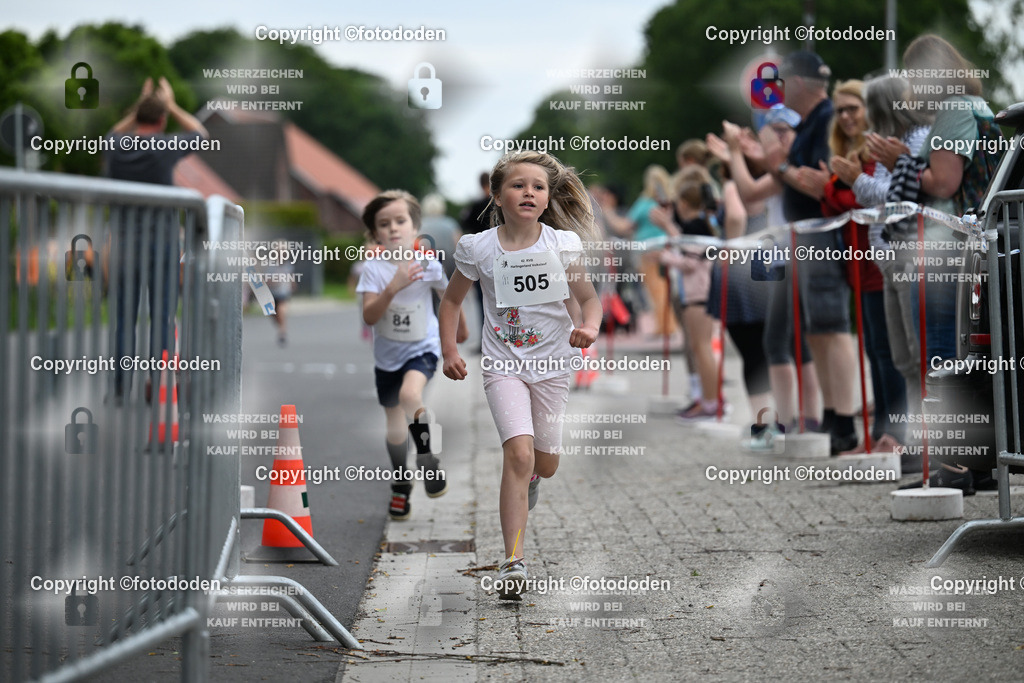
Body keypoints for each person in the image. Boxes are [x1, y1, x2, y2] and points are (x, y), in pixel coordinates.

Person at [439, 151, 602, 600]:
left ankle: (532, 480)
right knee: (518, 455)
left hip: (552, 365)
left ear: (548, 199)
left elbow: (589, 300)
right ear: (496, 195)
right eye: (517, 185)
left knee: (544, 465)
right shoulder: (478, 247)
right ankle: (513, 560)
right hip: (503, 364)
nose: (528, 192)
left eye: (538, 186)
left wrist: (588, 327)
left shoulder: (561, 245)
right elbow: (451, 302)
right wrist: (449, 349)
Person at [868, 35, 1003, 492]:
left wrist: (904, 160)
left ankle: (951, 468)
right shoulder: (980, 107)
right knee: (970, 355)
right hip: (977, 245)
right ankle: (978, 464)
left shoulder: (952, 111)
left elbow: (943, 182)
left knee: (940, 349)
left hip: (947, 243)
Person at [762, 51, 860, 454]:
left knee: (832, 326)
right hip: (807, 236)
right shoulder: (811, 123)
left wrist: (781, 168)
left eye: (784, 83)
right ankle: (835, 415)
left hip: (822, 235)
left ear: (799, 84)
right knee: (818, 330)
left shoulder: (823, 122)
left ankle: (846, 419)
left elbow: (822, 182)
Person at [356, 190, 469, 520]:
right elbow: (370, 316)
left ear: (415, 226)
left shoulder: (429, 264)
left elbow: (449, 298)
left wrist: (458, 332)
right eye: (384, 224)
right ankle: (401, 484)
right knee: (393, 425)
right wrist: (395, 285)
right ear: (375, 233)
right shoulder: (372, 270)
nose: (393, 229)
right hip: (386, 357)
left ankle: (427, 456)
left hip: (423, 348)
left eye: (400, 221)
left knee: (410, 394)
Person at [709, 106, 823, 435]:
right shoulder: (779, 170)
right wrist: (736, 151)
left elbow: (742, 208)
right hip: (775, 264)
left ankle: (785, 422)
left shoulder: (780, 173)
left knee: (774, 347)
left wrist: (733, 153)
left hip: (769, 267)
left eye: (781, 133)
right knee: (784, 345)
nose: (768, 142)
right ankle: (800, 419)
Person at [105, 77, 209, 402]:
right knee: (162, 316)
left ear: (137, 118)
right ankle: (160, 385)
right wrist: (172, 103)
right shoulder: (165, 146)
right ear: (162, 120)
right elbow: (201, 134)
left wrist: (141, 104)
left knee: (124, 317)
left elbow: (113, 133)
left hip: (124, 242)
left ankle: (120, 388)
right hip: (162, 242)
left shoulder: (118, 146)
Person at [844, 75, 931, 463]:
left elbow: (895, 197)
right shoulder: (889, 144)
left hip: (908, 252)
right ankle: (913, 440)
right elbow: (886, 195)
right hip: (888, 254)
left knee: (916, 352)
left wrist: (857, 180)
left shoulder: (913, 140)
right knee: (902, 355)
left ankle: (927, 441)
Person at [823, 80, 907, 453]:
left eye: (853, 108)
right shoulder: (847, 151)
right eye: (839, 110)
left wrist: (834, 186)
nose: (845, 117)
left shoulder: (875, 149)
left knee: (890, 352)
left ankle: (896, 435)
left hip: (880, 257)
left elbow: (858, 200)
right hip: (862, 260)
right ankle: (880, 434)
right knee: (875, 348)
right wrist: (836, 188)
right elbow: (841, 200)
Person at [651, 167, 724, 420]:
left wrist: (667, 257)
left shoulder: (696, 225)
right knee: (699, 347)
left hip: (698, 293)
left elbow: (692, 260)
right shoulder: (702, 223)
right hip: (697, 292)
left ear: (682, 203)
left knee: (702, 348)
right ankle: (708, 400)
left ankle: (712, 403)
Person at [420, 193, 461, 281]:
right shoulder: (451, 224)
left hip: (427, 264)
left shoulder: (420, 225)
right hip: (449, 264)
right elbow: (458, 246)